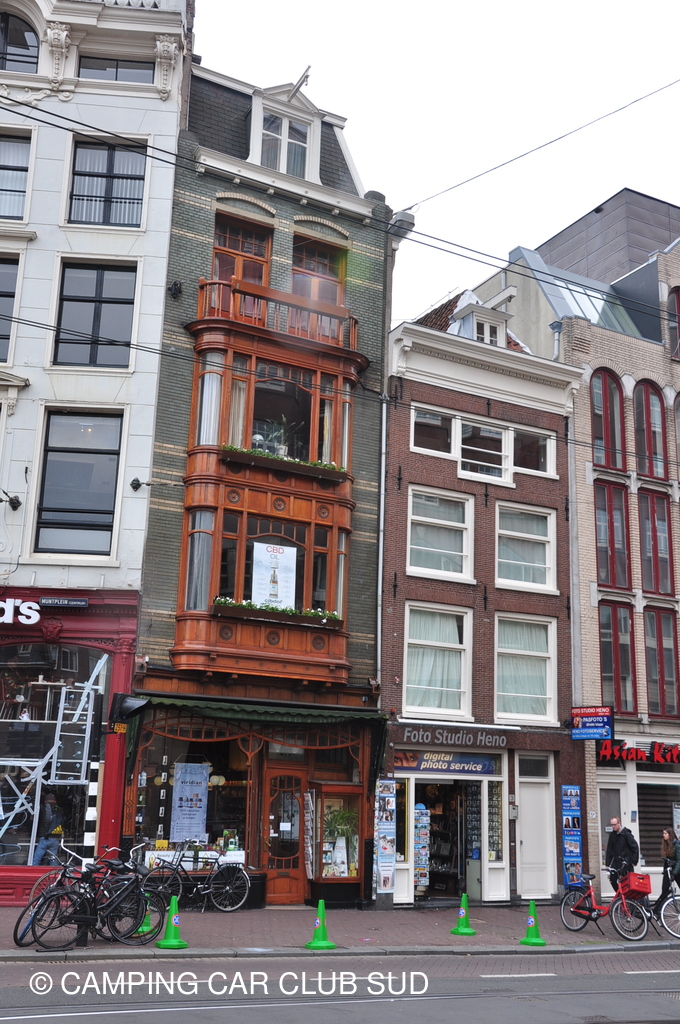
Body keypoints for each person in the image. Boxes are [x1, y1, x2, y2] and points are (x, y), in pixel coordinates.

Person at [652, 827, 680, 919]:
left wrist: (674, 873)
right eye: (663, 833)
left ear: (670, 835)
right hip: (668, 870)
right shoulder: (666, 845)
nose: (663, 835)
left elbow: (679, 861)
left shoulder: (677, 845)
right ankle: (658, 909)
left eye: (665, 833)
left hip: (677, 871)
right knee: (665, 890)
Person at [605, 816, 639, 888]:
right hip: (616, 861)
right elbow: (609, 849)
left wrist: (634, 861)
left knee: (627, 881)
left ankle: (625, 894)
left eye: (614, 825)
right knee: (612, 880)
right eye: (611, 825)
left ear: (619, 823)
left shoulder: (626, 834)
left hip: (626, 861)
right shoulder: (612, 835)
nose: (613, 827)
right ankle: (620, 894)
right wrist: (607, 864)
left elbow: (634, 847)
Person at [32, 792, 63, 866]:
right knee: (53, 861)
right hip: (55, 838)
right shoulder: (59, 810)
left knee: (36, 860)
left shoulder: (44, 808)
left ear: (45, 800)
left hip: (45, 837)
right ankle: (54, 873)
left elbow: (46, 821)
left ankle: (34, 872)